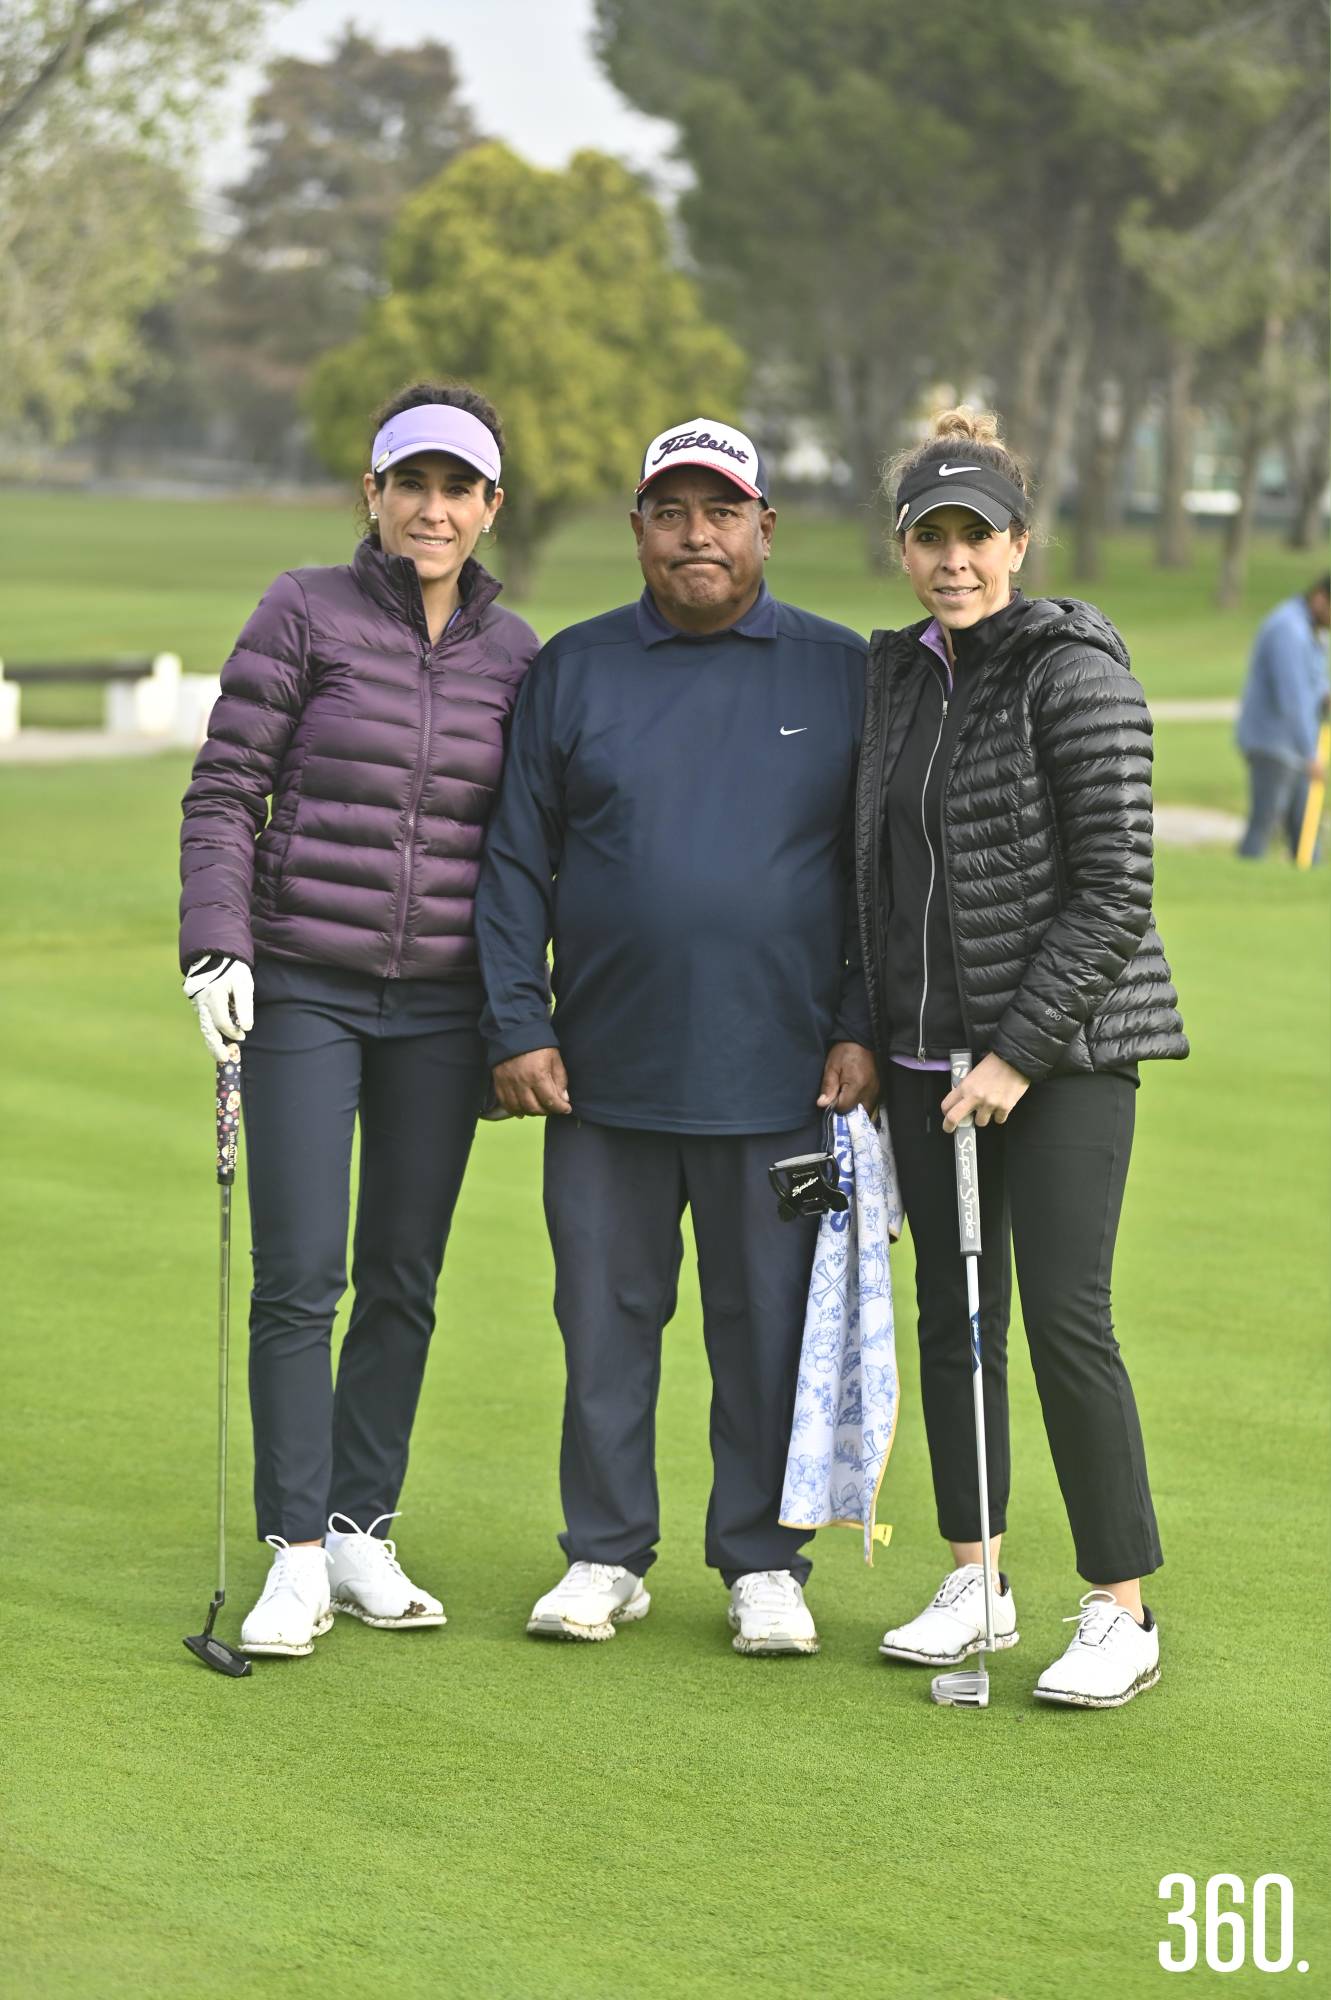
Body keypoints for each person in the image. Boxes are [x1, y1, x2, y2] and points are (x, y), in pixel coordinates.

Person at [474, 418, 877, 1656]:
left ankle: (761, 1561)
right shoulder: (574, 667)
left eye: (719, 511)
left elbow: (877, 873)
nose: (694, 534)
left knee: (760, 1330)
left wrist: (861, 1023)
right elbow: (512, 862)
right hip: (600, 1073)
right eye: (669, 511)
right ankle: (604, 1553)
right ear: (637, 528)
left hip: (779, 1072)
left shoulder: (841, 669)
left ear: (765, 526)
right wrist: (515, 1018)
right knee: (602, 1320)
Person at [179, 383, 539, 1658]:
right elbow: (226, 784)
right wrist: (216, 937)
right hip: (306, 985)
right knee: (300, 1276)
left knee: (402, 1273)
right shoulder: (304, 608)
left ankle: (358, 1524)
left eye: (459, 490)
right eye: (412, 484)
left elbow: (528, 851)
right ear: (372, 495)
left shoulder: (517, 654)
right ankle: (291, 1550)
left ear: (490, 508)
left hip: (441, 1008)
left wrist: (517, 1013)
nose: (433, 509)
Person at [860, 407, 1188, 1708]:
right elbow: (869, 871)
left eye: (974, 536)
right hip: (922, 1057)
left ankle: (1119, 1607)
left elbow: (1112, 888)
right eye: (929, 536)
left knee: (1061, 1320)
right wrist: (877, 1035)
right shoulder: (895, 679)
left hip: (1066, 1055)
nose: (953, 560)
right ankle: (974, 1575)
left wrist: (1010, 1053)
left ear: (1017, 540)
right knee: (952, 1320)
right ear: (903, 549)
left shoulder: (1073, 670)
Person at [1235, 574, 1330, 861]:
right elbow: (1293, 697)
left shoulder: (1313, 630)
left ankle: (1309, 886)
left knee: (1307, 829)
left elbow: (1314, 682)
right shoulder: (1288, 630)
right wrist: (1310, 752)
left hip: (1296, 747)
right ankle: (1244, 880)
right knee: (1265, 823)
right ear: (1319, 598)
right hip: (1273, 744)